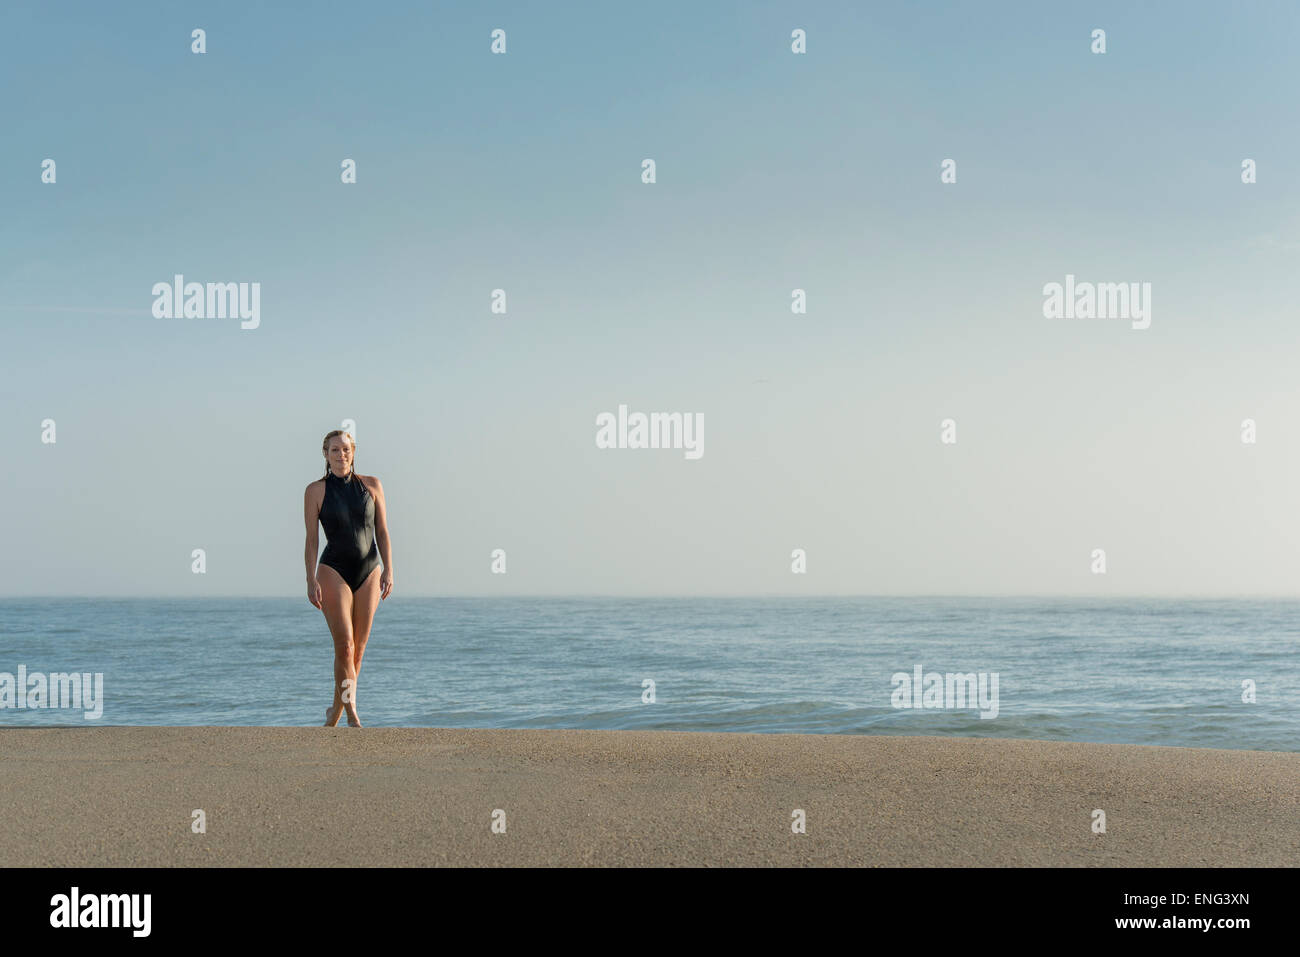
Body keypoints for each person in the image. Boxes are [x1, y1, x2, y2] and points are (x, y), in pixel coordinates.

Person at [304, 430, 394, 727]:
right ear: (325, 455)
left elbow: (381, 531)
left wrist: (389, 569)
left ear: (353, 452)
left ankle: (335, 710)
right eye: (334, 450)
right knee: (344, 646)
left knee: (358, 649)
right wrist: (309, 579)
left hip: (370, 569)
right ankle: (352, 711)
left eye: (345, 449)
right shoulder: (315, 491)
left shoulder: (373, 485)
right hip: (333, 570)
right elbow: (312, 540)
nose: (340, 454)